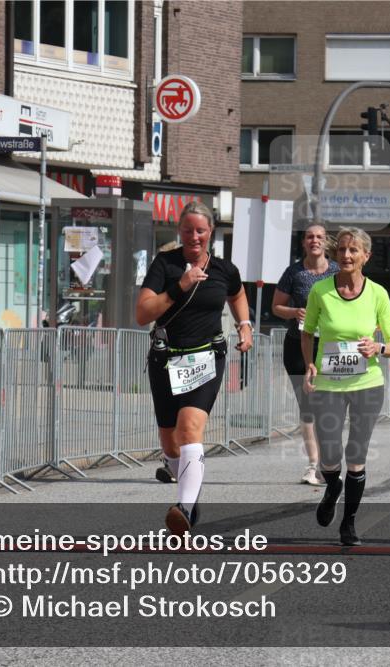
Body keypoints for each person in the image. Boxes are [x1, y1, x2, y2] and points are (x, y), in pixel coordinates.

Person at [135, 201, 253, 536]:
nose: (194, 236)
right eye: (188, 230)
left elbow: (238, 293)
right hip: (165, 359)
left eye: (200, 230)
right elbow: (143, 314)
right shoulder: (165, 264)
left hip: (205, 358)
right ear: (179, 231)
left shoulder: (223, 270)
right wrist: (180, 286)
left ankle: (184, 509)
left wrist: (245, 324)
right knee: (170, 444)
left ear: (211, 231)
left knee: (190, 428)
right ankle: (188, 494)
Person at [302, 227, 390, 546]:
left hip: (367, 384)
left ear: (366, 257)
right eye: (342, 249)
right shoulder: (321, 291)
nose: (346, 255)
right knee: (329, 454)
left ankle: (349, 523)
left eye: (353, 250)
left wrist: (379, 348)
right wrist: (309, 364)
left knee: (355, 453)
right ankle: (332, 486)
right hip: (329, 383)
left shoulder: (378, 294)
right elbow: (308, 332)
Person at [272, 225, 339, 486]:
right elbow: (276, 306)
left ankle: (329, 463)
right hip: (298, 345)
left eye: (320, 237)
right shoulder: (294, 272)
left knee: (328, 406)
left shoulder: (337, 271)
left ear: (326, 242)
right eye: (310, 237)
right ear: (303, 242)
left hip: (330, 346)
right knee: (308, 406)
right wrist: (294, 312)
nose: (315, 241)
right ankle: (314, 465)